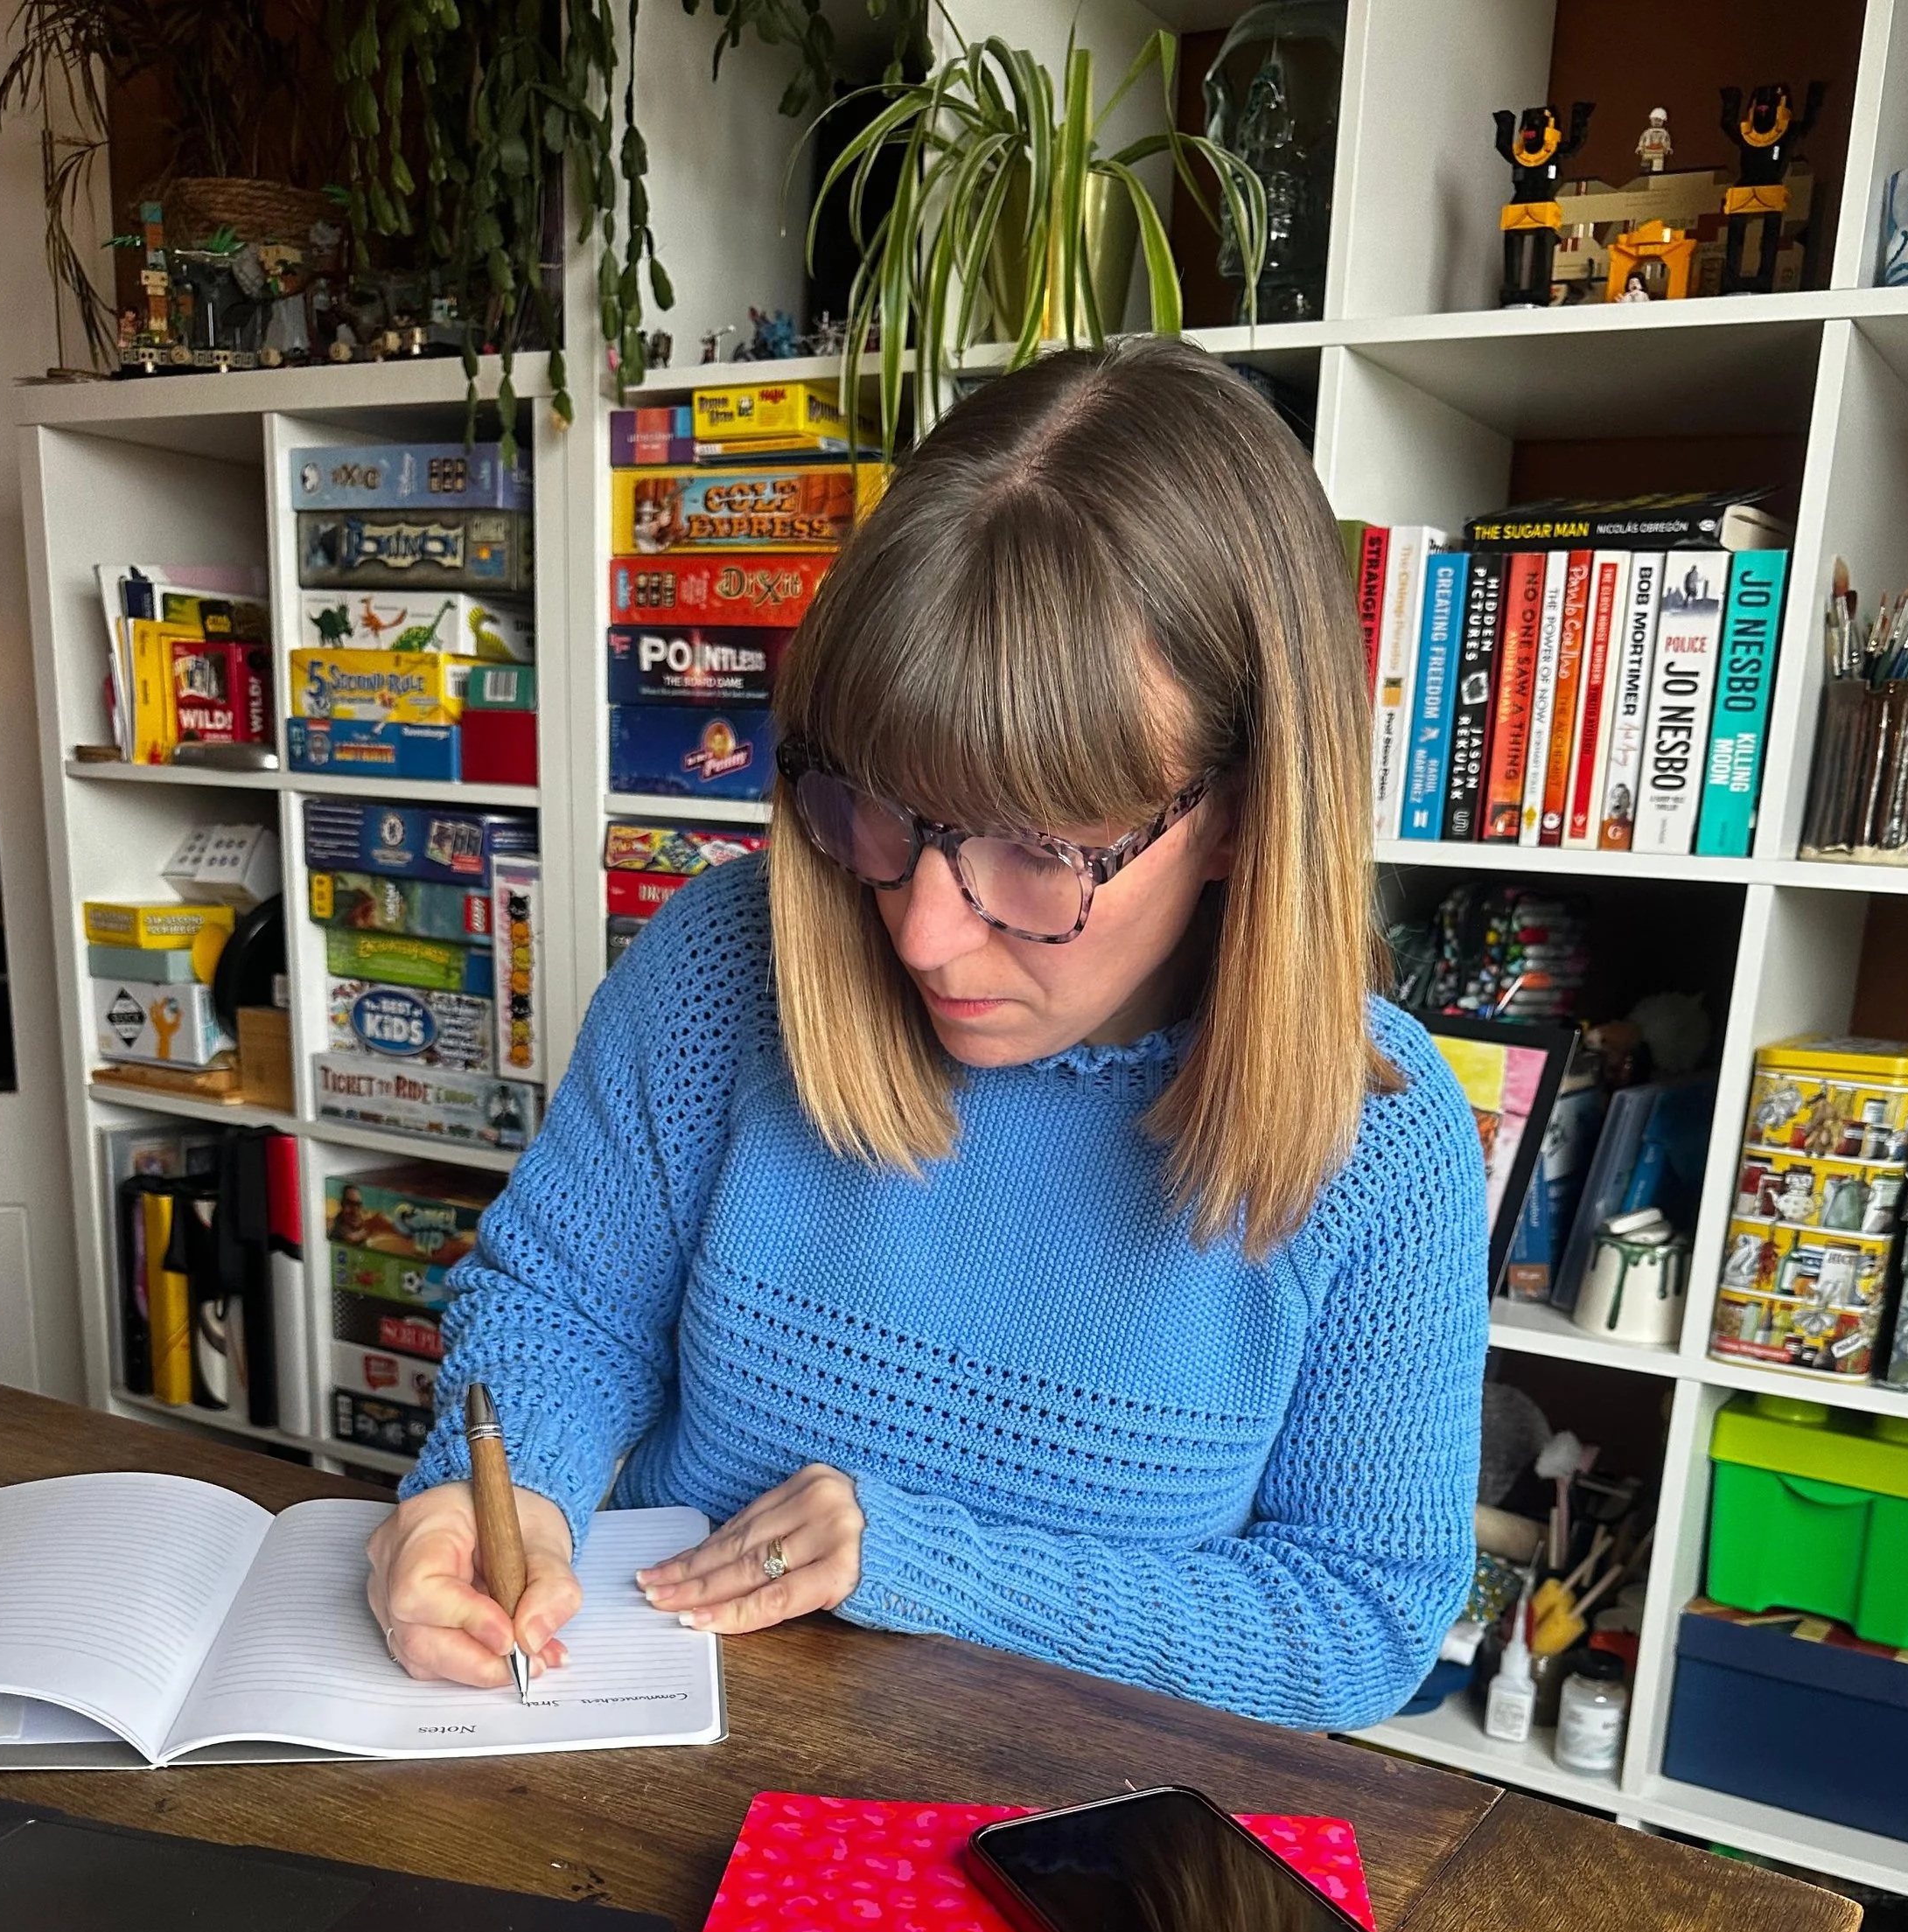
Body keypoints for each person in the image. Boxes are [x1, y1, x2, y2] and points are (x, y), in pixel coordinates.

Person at [367, 339, 1488, 1730]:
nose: (920, 935)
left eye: (1036, 852)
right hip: (649, 1755)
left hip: (1066, 1840)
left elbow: (1361, 1621)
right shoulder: (733, 962)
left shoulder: (1378, 1136)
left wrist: (930, 1569)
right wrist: (502, 1499)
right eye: (879, 811)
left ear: (1246, 814)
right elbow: (565, 1306)